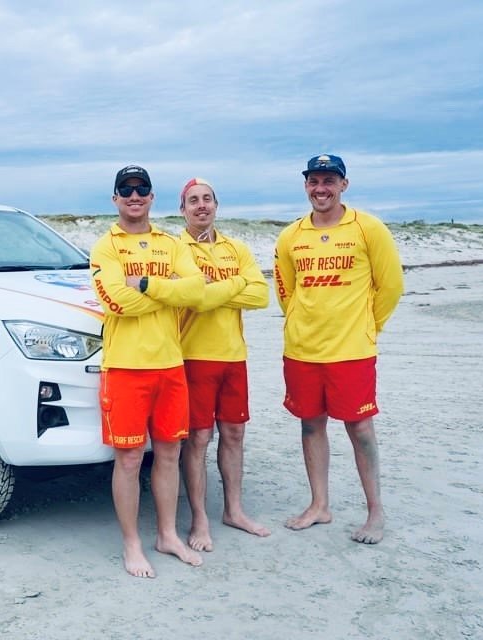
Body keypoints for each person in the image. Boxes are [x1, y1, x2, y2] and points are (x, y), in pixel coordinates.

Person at [273, 154, 404, 544]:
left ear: (344, 184)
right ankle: (319, 505)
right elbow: (286, 290)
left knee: (360, 427)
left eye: (329, 180)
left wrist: (368, 326)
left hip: (352, 351)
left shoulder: (368, 228)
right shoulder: (291, 236)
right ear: (306, 186)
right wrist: (300, 319)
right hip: (302, 350)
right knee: (310, 423)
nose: (321, 188)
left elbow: (391, 285)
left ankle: (375, 512)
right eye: (314, 181)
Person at [89, 165, 207, 577]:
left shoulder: (170, 244)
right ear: (116, 199)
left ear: (153, 197)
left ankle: (167, 535)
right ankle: (132, 543)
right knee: (129, 458)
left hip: (170, 364)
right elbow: (115, 302)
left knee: (170, 454)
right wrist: (167, 294)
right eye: (126, 190)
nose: (134, 196)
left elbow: (197, 289)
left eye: (142, 190)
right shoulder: (106, 247)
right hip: (125, 367)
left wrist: (148, 286)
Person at [176, 178, 271, 552]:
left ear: (216, 205)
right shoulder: (176, 249)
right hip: (193, 355)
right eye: (193, 201)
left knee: (234, 435)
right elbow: (194, 298)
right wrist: (234, 287)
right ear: (183, 208)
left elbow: (261, 295)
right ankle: (199, 518)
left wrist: (215, 287)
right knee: (198, 438)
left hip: (234, 356)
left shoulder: (237, 248)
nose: (201, 206)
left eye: (207, 200)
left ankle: (234, 510)